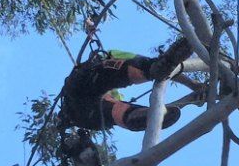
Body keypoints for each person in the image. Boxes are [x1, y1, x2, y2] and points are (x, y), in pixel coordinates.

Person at [59, 37, 205, 133]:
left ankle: (141, 116)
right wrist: (192, 84)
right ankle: (153, 73)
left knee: (117, 110)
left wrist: (189, 99)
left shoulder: (114, 96)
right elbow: (142, 62)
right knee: (132, 70)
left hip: (81, 114)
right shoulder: (109, 56)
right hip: (83, 86)